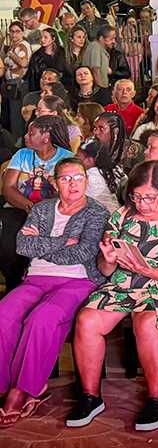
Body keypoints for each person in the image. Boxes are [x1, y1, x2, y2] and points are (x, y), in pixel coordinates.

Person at [67, 161, 158, 433]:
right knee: (87, 320)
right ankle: (91, 397)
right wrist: (107, 259)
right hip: (124, 283)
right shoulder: (122, 216)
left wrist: (148, 269)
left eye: (150, 197)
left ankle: (156, 398)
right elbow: (106, 270)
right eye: (137, 196)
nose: (143, 203)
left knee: (146, 321)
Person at [0, 158, 109, 424]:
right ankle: (3, 386)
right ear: (54, 182)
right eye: (65, 178)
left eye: (78, 178)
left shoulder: (96, 213)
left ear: (86, 180)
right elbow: (23, 246)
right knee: (3, 315)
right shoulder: (42, 209)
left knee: (42, 318)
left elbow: (84, 251)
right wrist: (62, 241)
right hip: (35, 279)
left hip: (78, 281)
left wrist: (43, 245)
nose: (73, 184)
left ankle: (24, 389)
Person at [0, 116, 75, 291]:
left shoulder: (67, 158)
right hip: (19, 209)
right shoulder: (22, 155)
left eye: (31, 133)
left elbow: (68, 194)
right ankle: (14, 283)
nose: (26, 136)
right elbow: (8, 188)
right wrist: (30, 206)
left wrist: (41, 211)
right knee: (8, 239)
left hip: (54, 213)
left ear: (46, 137)